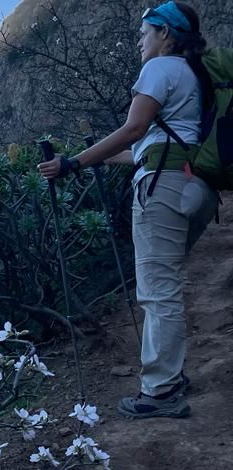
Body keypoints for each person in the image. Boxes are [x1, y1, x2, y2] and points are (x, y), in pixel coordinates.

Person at [37, 1, 217, 418]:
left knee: (158, 291)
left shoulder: (159, 68)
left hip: (163, 188)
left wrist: (73, 164)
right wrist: (85, 157)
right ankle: (168, 375)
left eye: (145, 31)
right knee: (164, 286)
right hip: (196, 188)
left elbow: (134, 130)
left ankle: (160, 391)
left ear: (165, 35)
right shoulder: (194, 76)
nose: (140, 39)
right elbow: (141, 148)